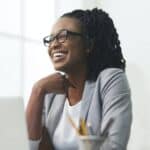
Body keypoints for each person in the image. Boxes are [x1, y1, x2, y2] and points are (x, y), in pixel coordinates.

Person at [26, 8, 132, 150]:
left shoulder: (110, 79)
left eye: (63, 35)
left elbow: (113, 146)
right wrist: (37, 91)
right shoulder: (50, 92)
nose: (54, 44)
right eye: (51, 39)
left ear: (88, 44)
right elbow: (27, 146)